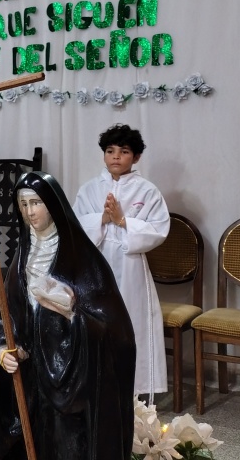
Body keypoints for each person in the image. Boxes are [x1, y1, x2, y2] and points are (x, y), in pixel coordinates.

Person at [0, 171, 135, 460]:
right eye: (23, 204)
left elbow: (116, 330)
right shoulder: (22, 259)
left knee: (67, 447)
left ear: (53, 205)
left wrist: (71, 313)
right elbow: (4, 317)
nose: (30, 212)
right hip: (32, 377)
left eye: (36, 203)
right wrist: (1, 350)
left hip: (71, 380)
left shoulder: (83, 260)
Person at [73, 123, 170, 399]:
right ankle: (95, 384)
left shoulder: (147, 191)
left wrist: (123, 221)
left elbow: (158, 229)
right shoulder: (90, 189)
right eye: (110, 151)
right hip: (97, 265)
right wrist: (101, 219)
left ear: (136, 157)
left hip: (131, 267)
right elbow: (76, 225)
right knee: (95, 322)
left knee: (132, 323)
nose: (116, 156)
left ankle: (135, 390)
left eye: (124, 151)